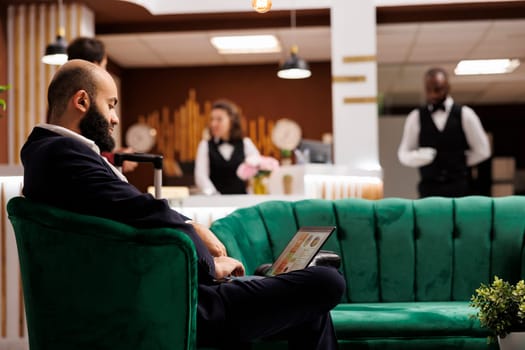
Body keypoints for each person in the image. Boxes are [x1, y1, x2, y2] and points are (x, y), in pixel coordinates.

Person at [21, 60, 345, 349]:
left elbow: (128, 213)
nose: (116, 118)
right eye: (111, 105)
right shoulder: (58, 153)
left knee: (308, 304)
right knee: (325, 282)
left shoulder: (52, 153)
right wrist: (203, 252)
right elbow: (140, 209)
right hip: (177, 303)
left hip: (166, 290)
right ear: (82, 101)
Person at [398, 67, 491, 198]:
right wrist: (420, 157)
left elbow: (483, 150)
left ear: (448, 87)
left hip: (460, 190)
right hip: (429, 191)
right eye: (429, 89)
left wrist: (460, 160)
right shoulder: (415, 117)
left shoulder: (465, 114)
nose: (434, 94)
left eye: (438, 89)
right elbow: (403, 154)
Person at [67, 36, 137, 173]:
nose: (114, 119)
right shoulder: (81, 99)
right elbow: (80, 154)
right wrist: (114, 159)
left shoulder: (62, 96)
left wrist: (114, 156)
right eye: (109, 106)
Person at [194, 100, 260, 195]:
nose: (213, 124)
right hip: (214, 203)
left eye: (219, 119)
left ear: (232, 120)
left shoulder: (246, 144)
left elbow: (256, 173)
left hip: (242, 201)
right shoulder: (205, 145)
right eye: (212, 119)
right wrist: (214, 196)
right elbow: (201, 177)